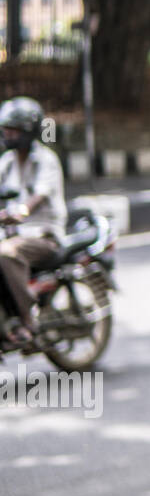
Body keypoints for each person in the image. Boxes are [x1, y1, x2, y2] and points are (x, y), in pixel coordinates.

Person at [0, 96, 66, 346]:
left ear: (28, 131)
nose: (7, 134)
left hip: (44, 236)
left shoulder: (45, 160)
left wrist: (20, 212)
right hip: (17, 236)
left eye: (12, 129)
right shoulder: (6, 163)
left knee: (5, 253)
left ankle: (27, 316)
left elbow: (38, 196)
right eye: (5, 128)